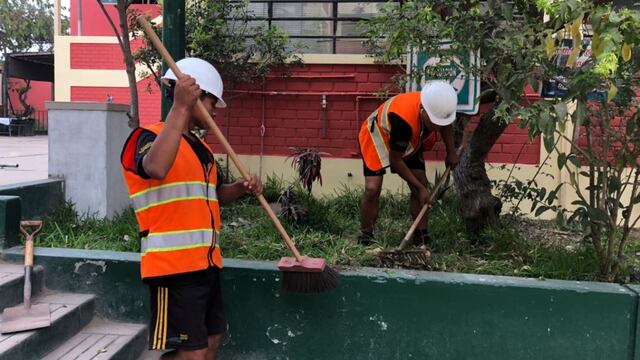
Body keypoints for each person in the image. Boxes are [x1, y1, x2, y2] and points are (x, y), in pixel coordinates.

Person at [120, 57, 262, 360]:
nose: (213, 111)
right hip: (172, 267)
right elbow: (156, 167)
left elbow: (213, 195)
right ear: (194, 96)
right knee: (193, 353)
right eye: (211, 102)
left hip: (206, 263)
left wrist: (240, 189)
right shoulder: (145, 137)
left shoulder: (202, 150)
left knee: (212, 339)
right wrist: (180, 108)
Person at [358, 81, 460, 247]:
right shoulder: (403, 122)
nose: (437, 127)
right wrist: (420, 189)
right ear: (423, 111)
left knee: (421, 182)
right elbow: (396, 161)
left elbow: (446, 124)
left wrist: (451, 152)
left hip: (411, 138)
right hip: (378, 135)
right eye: (434, 123)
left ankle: (421, 235)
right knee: (372, 189)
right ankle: (366, 236)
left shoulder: (439, 106)